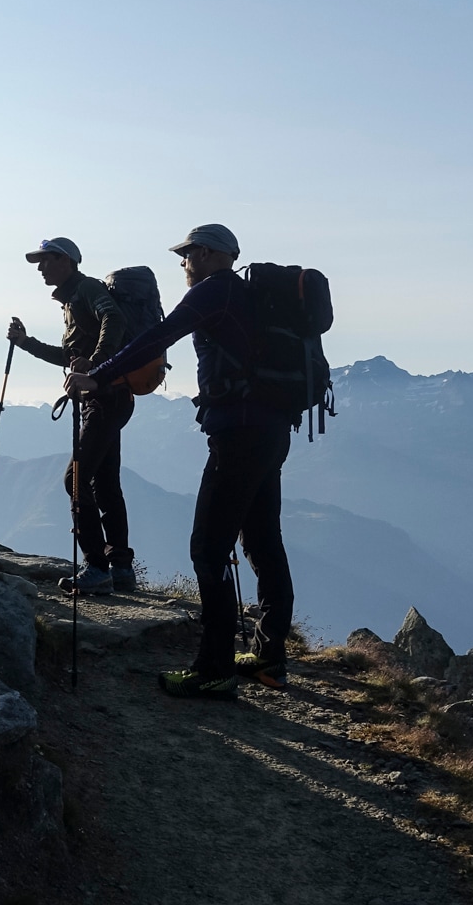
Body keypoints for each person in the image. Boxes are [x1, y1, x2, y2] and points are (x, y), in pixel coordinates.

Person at [65, 224, 298, 700]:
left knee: (208, 548)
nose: (183, 265)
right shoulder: (253, 296)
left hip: (238, 435)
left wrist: (100, 376)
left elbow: (159, 335)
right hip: (274, 429)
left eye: (187, 255)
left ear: (209, 255)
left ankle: (214, 668)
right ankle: (270, 658)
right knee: (262, 541)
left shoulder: (215, 291)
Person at [7, 237, 134, 596]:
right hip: (108, 398)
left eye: (45, 260)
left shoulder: (87, 290)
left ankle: (97, 567)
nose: (40, 267)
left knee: (74, 481)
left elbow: (114, 317)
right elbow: (67, 356)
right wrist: (25, 341)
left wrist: (96, 365)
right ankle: (121, 567)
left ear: (66, 261)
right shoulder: (72, 302)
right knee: (105, 483)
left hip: (106, 398)